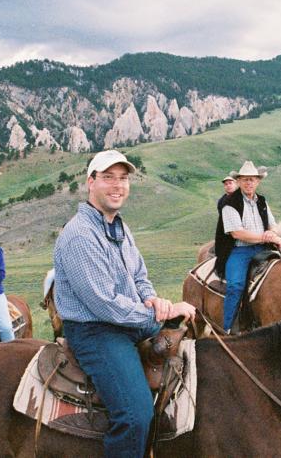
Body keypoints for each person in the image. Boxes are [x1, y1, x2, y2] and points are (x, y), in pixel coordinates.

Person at [53, 149, 196, 458]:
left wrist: (152, 299)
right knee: (134, 416)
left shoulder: (119, 227)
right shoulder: (79, 234)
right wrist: (161, 315)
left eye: (123, 178)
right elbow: (105, 304)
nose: (117, 186)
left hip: (127, 322)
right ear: (90, 182)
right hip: (96, 332)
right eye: (108, 178)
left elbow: (139, 276)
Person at [214, 160, 281, 332]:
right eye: (245, 179)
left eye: (252, 179)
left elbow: (273, 223)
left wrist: (272, 233)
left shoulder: (262, 201)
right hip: (240, 250)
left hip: (263, 247)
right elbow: (236, 233)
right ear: (238, 182)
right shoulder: (229, 204)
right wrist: (263, 237)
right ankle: (228, 328)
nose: (249, 183)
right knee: (235, 286)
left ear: (258, 181)